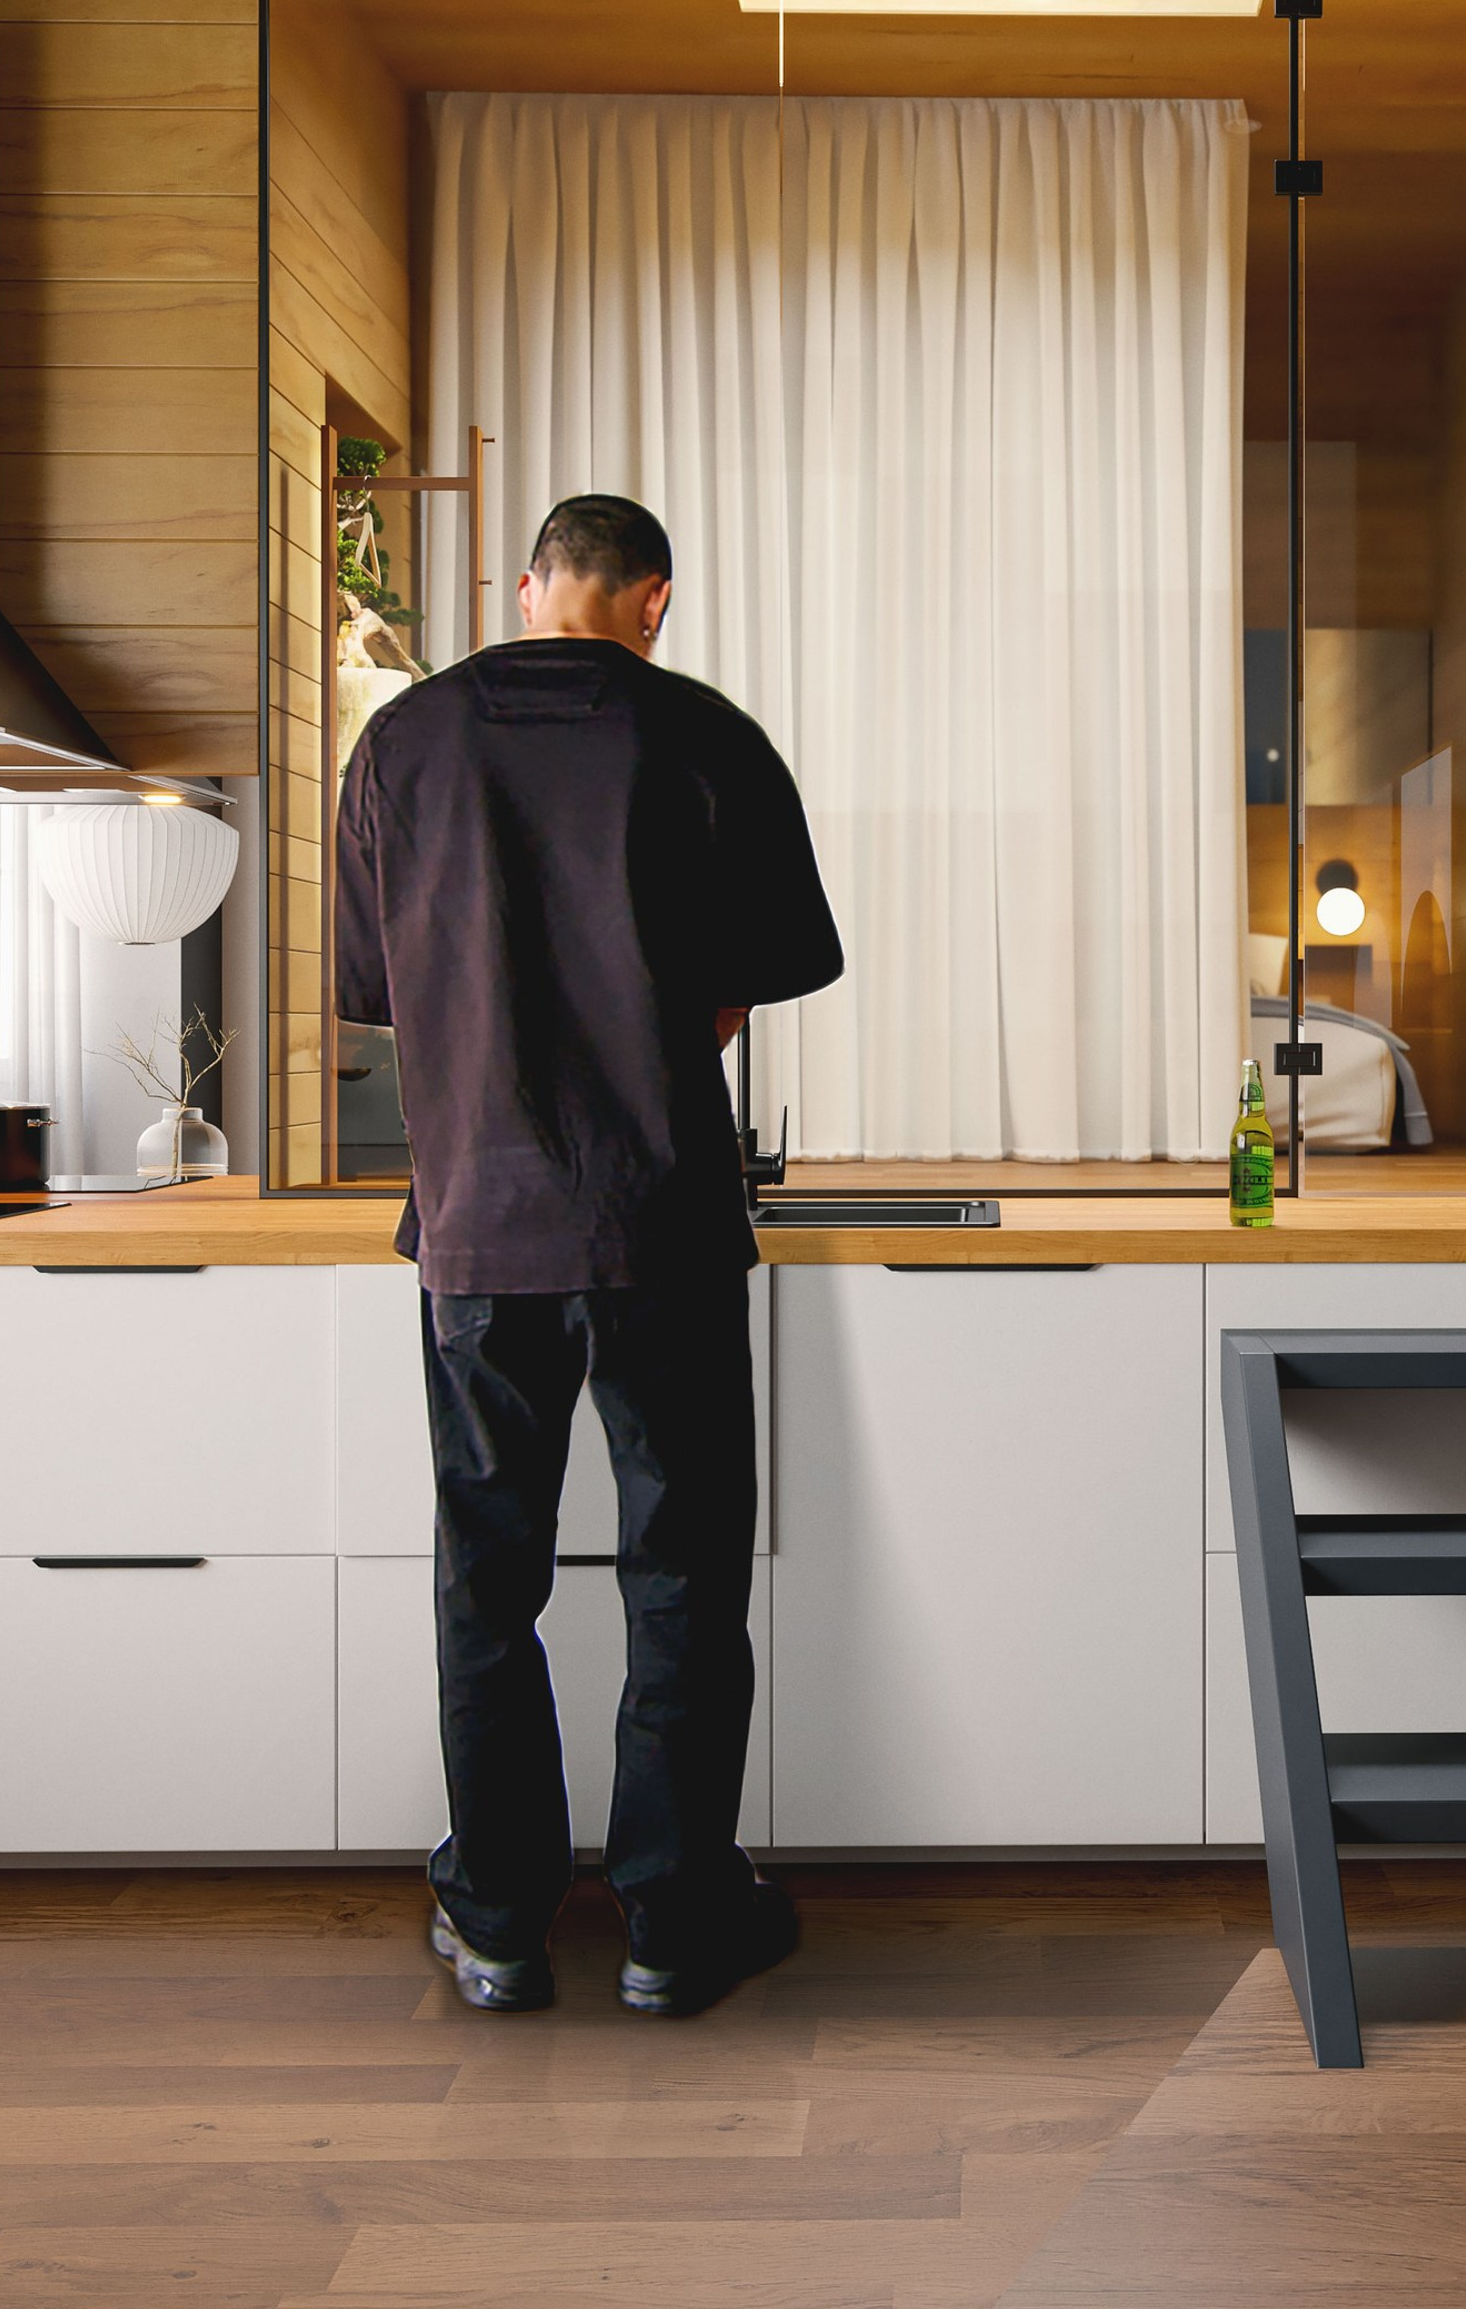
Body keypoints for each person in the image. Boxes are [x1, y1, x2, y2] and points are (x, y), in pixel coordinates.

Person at [335, 493, 842, 2016]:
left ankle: (496, 1925)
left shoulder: (403, 746)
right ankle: (673, 1925)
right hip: (662, 1224)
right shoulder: (707, 737)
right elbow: (749, 986)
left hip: (480, 1232)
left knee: (487, 1583)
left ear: (527, 585)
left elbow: (382, 989)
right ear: (653, 600)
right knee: (680, 1576)